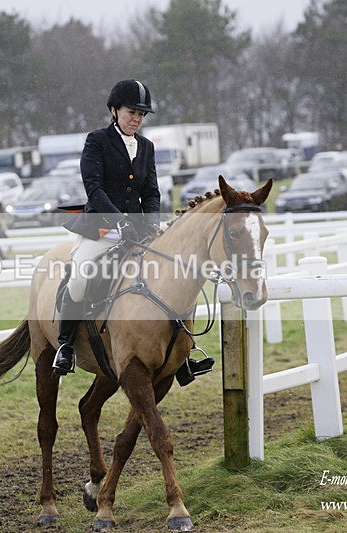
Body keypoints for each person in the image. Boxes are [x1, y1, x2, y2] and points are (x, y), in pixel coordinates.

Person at [51, 79, 213, 382]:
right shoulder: (96, 141)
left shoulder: (147, 147)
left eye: (141, 114)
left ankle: (182, 353)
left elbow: (151, 191)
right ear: (114, 111)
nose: (136, 119)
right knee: (81, 274)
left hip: (139, 229)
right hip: (100, 227)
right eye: (131, 112)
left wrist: (149, 222)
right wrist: (120, 222)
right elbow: (94, 188)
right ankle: (66, 345)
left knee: (170, 275)